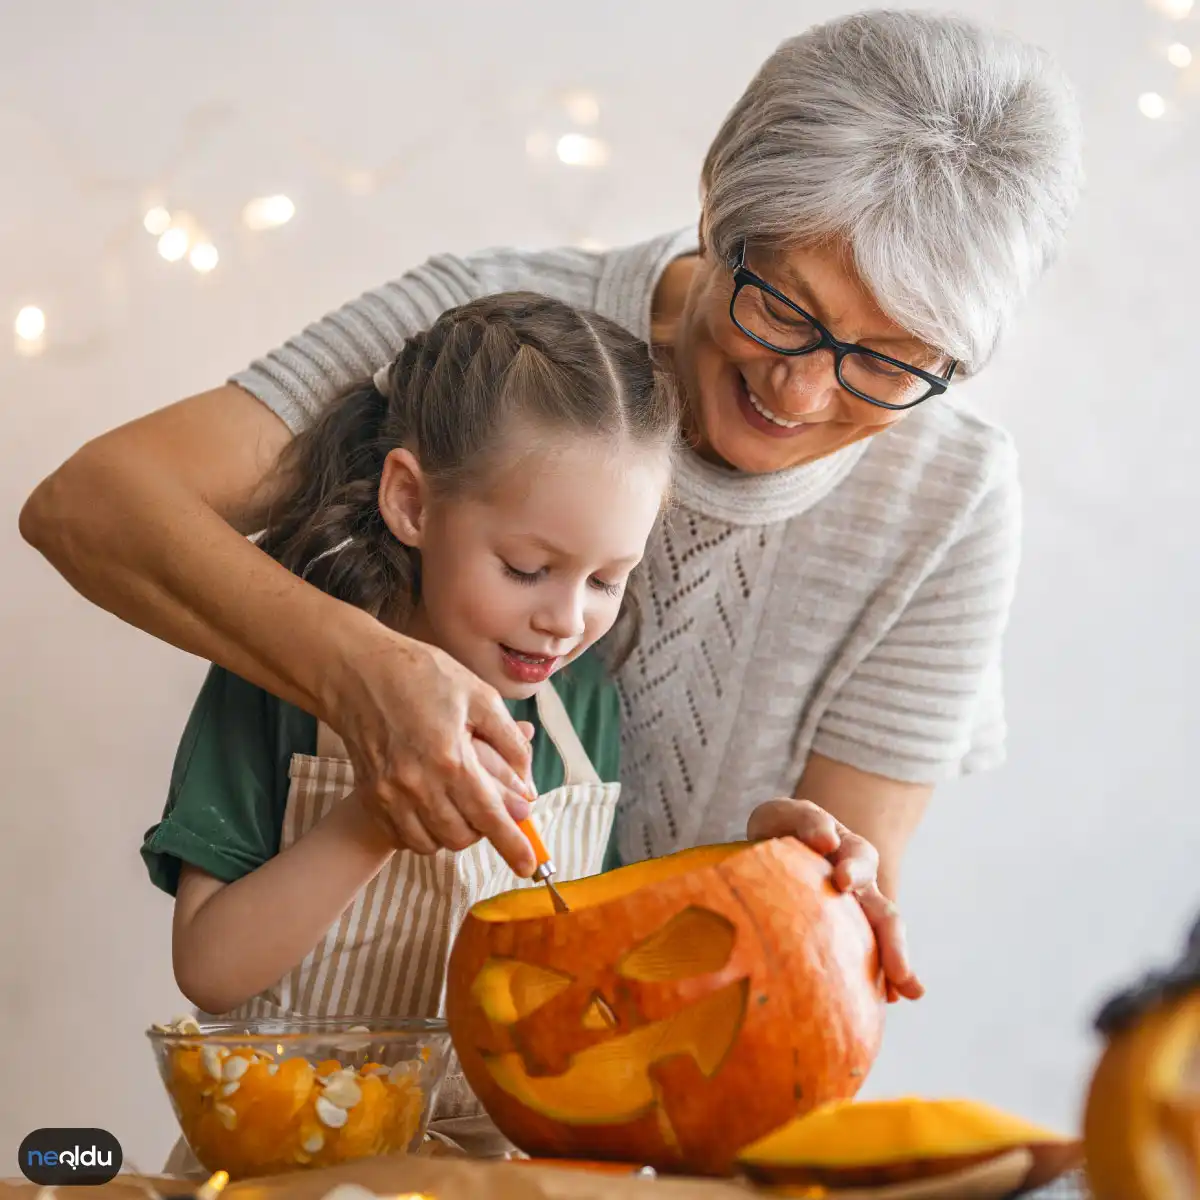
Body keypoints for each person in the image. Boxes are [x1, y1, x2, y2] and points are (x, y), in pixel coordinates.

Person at [20, 10, 1084, 1001]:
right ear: (720, 213)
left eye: (888, 365)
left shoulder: (952, 503)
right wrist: (363, 675)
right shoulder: (493, 341)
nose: (801, 394)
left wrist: (798, 874)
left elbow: (821, 970)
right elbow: (93, 506)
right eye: (786, 310)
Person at [142, 292, 678, 1157]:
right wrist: (374, 818)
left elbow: (596, 966)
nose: (566, 619)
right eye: (529, 567)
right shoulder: (279, 682)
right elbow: (209, 970)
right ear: (412, 503)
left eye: (608, 581)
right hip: (285, 1165)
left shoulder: (582, 710)